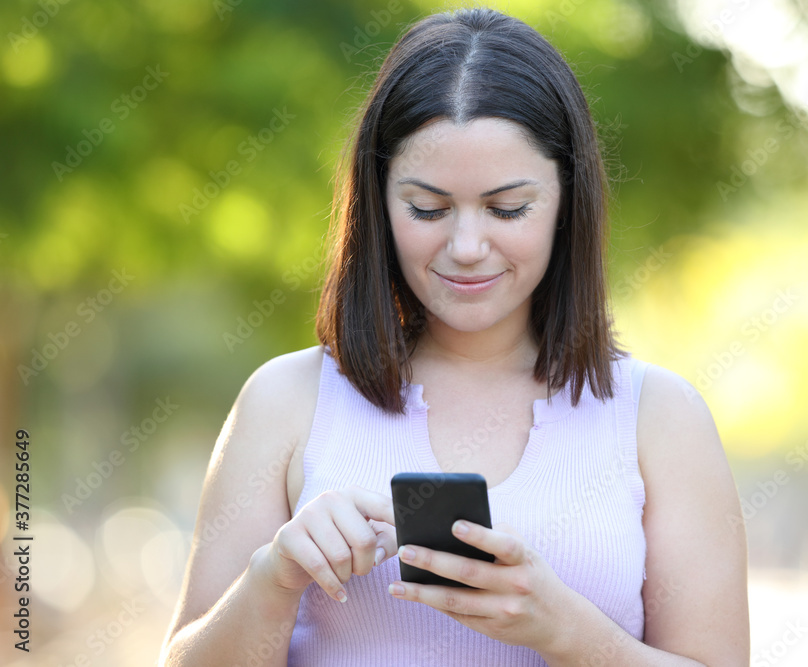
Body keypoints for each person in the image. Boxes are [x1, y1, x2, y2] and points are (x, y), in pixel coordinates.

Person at [159, 6, 749, 666]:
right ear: (378, 203)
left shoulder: (660, 418)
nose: (467, 246)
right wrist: (273, 577)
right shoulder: (284, 399)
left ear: (566, 201)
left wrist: (566, 630)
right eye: (428, 208)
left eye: (507, 208)